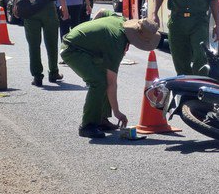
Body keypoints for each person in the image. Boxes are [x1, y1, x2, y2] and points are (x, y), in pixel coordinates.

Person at [60, 10, 160, 138]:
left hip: (81, 45)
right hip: (72, 49)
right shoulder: (116, 42)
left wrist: (91, 34)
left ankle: (101, 119)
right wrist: (117, 112)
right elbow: (112, 83)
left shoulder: (121, 21)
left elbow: (101, 12)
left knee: (103, 79)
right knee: (99, 82)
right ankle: (87, 126)